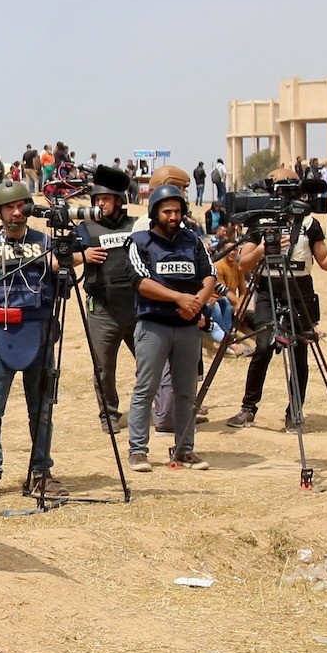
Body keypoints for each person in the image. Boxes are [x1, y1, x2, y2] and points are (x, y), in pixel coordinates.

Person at [0, 180, 68, 498]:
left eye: (21, 205)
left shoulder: (46, 243)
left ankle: (41, 473)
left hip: (39, 334)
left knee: (41, 408)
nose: (16, 212)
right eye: (9, 207)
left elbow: (65, 291)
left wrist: (59, 270)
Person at [226, 168, 327, 432]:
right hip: (268, 288)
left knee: (299, 351)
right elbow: (243, 264)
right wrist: (263, 248)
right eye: (279, 189)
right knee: (263, 346)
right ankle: (248, 408)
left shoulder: (309, 223)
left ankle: (295, 411)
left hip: (299, 288)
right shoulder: (260, 220)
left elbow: (325, 262)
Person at [125, 184, 217, 472]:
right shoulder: (139, 242)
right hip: (154, 326)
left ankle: (184, 450)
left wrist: (195, 304)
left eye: (177, 211)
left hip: (187, 327)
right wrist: (178, 298)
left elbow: (210, 275)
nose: (173, 216)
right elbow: (140, 281)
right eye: (167, 211)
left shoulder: (194, 241)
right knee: (146, 389)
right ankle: (138, 451)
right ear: (155, 213)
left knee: (186, 392)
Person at [73, 177, 139, 434]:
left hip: (136, 307)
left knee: (151, 362)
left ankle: (162, 410)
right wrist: (84, 255)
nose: (100, 203)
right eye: (97, 199)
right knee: (103, 368)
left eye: (106, 199)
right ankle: (109, 413)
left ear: (119, 201)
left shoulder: (136, 226)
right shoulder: (86, 229)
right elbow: (61, 257)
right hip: (102, 309)